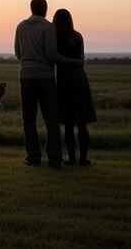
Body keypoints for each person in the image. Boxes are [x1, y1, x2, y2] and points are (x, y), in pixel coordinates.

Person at [14, 0, 83, 169]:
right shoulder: (48, 27)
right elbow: (52, 55)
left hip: (25, 75)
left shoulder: (21, 26)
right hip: (45, 76)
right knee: (51, 120)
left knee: (28, 120)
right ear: (45, 9)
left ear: (31, 9)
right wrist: (75, 62)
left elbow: (18, 52)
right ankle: (54, 158)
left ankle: (33, 157)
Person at [53, 9, 97, 167]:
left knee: (69, 122)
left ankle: (72, 158)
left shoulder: (56, 37)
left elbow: (56, 58)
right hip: (80, 79)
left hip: (65, 81)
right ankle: (83, 158)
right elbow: (81, 60)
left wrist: (62, 61)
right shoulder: (77, 36)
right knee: (81, 122)